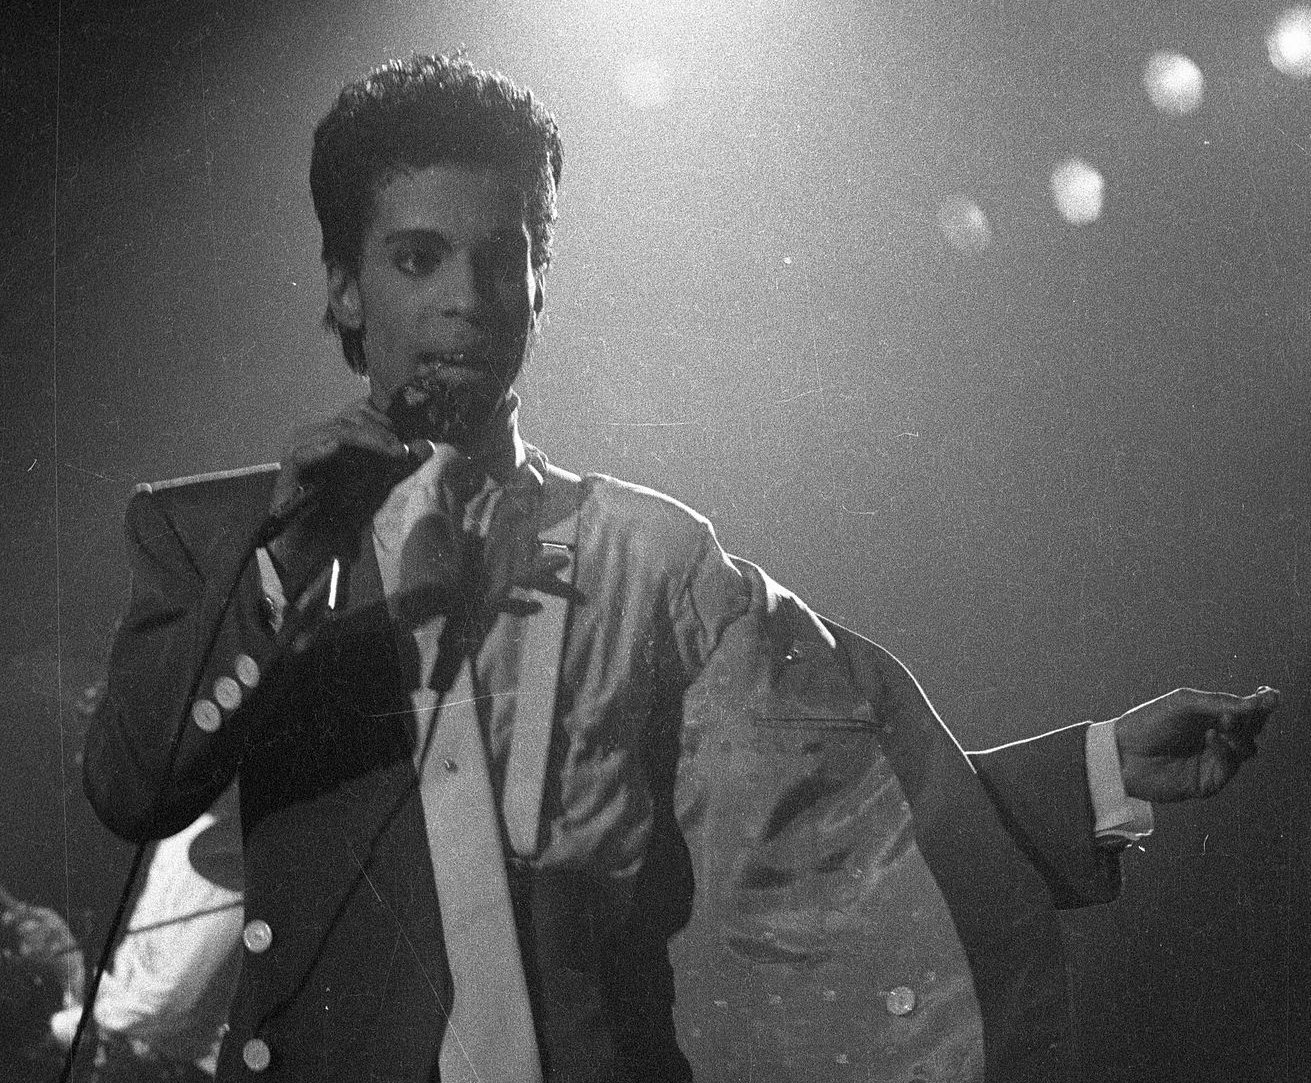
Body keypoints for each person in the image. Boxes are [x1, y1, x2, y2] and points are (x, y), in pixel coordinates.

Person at [82, 55, 1278, 1083]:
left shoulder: (649, 555)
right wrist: (289, 560)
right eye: (416, 259)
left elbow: (849, 814)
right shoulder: (219, 536)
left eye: (506, 257)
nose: (468, 301)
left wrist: (1101, 769)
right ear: (344, 285)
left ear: (544, 276)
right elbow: (136, 787)